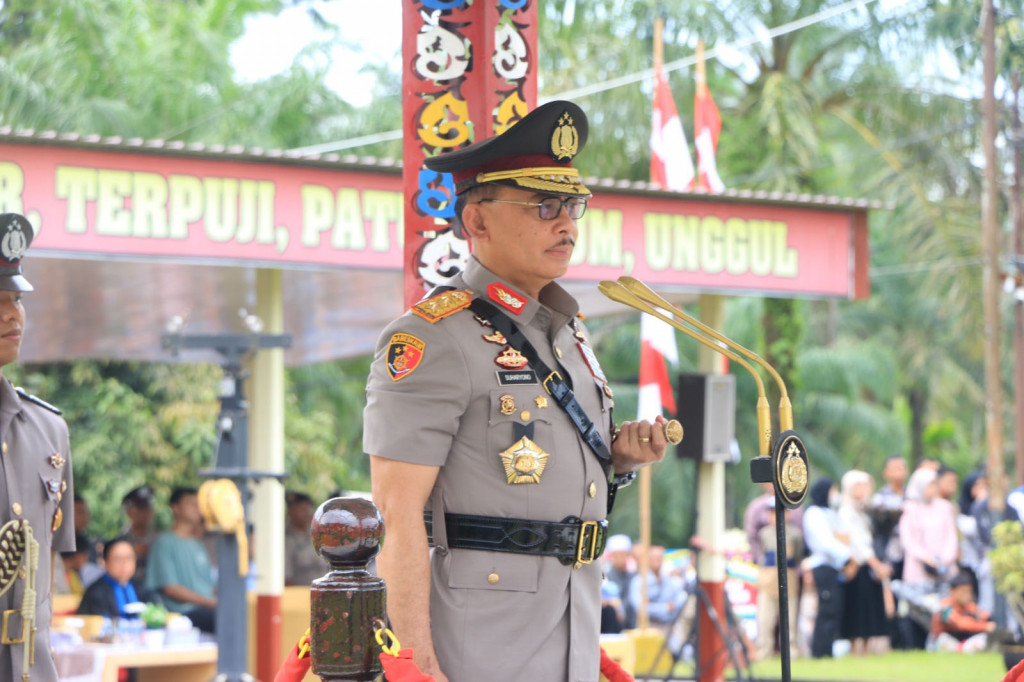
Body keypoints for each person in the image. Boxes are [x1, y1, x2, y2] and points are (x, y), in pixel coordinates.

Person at [364, 101, 668, 682]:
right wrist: (416, 667)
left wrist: (618, 462)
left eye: (573, 206)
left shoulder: (567, 332)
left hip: (572, 627)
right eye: (544, 206)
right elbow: (395, 514)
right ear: (477, 221)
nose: (568, 225)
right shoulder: (431, 338)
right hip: (479, 645)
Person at [0, 212, 76, 682]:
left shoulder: (50, 430)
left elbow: (47, 569)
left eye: (17, 300)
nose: (13, 313)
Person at [145, 487, 216, 633]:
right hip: (184, 613)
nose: (197, 508)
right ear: (175, 508)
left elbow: (210, 584)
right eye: (191, 503)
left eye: (198, 504)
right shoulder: (164, 543)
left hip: (208, 608)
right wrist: (211, 602)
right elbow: (170, 588)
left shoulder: (197, 544)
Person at [837, 470, 892, 655]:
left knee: (869, 610)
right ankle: (854, 648)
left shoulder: (866, 511)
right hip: (856, 565)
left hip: (869, 566)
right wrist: (876, 564)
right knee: (856, 609)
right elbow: (857, 543)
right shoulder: (845, 511)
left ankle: (867, 648)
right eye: (858, 486)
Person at [802, 477, 856, 658]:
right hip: (822, 566)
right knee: (826, 609)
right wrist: (847, 557)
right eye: (832, 490)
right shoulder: (814, 513)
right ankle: (819, 651)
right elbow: (825, 542)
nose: (835, 494)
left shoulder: (831, 513)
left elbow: (844, 536)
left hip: (834, 567)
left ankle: (828, 650)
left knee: (835, 610)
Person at [754, 498, 803, 660]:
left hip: (788, 576)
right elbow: (759, 553)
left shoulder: (794, 534)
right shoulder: (764, 534)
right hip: (768, 577)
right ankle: (764, 650)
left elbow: (798, 555)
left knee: (789, 617)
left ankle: (791, 650)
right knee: (765, 617)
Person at [78, 537, 162, 619]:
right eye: (118, 559)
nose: (124, 563)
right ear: (105, 562)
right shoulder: (95, 592)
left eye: (129, 558)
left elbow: (157, 611)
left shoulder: (141, 588)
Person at [930, 571, 995, 653]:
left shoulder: (969, 605)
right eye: (963, 592)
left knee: (983, 640)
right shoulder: (945, 606)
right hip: (945, 643)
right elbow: (960, 623)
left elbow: (982, 616)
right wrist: (985, 626)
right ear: (952, 591)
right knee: (944, 640)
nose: (966, 595)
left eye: (969, 592)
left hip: (964, 644)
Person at [627, 545, 685, 634]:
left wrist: (653, 607)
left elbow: (680, 600)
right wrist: (665, 608)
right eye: (654, 557)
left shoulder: (669, 580)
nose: (657, 560)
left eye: (659, 557)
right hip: (647, 629)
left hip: (669, 628)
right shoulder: (638, 582)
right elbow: (640, 608)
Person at [284, 491, 329, 586]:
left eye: (308, 508)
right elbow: (285, 578)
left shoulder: (318, 536)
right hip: (299, 596)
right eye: (302, 509)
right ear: (291, 511)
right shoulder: (287, 540)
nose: (307, 513)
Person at [120, 484, 158, 583]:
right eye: (141, 509)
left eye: (148, 508)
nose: (146, 513)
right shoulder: (121, 540)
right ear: (129, 512)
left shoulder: (161, 537)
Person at [603, 534, 637, 630]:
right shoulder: (605, 577)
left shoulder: (635, 577)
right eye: (616, 555)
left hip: (631, 625)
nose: (619, 558)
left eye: (622, 555)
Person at [60, 531, 105, 596]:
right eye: (85, 556)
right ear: (78, 555)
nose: (86, 561)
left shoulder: (72, 574)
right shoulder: (58, 572)